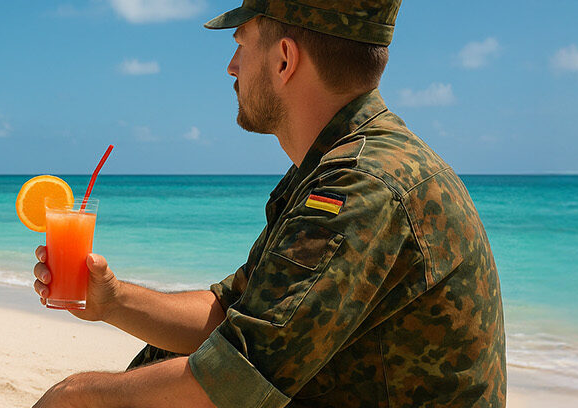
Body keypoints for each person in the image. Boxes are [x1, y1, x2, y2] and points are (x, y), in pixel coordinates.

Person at [29, 1, 504, 407]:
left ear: (283, 61)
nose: (231, 67)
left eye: (240, 44)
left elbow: (235, 381)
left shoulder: (362, 188)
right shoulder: (336, 168)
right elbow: (236, 312)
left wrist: (79, 395)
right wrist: (113, 300)